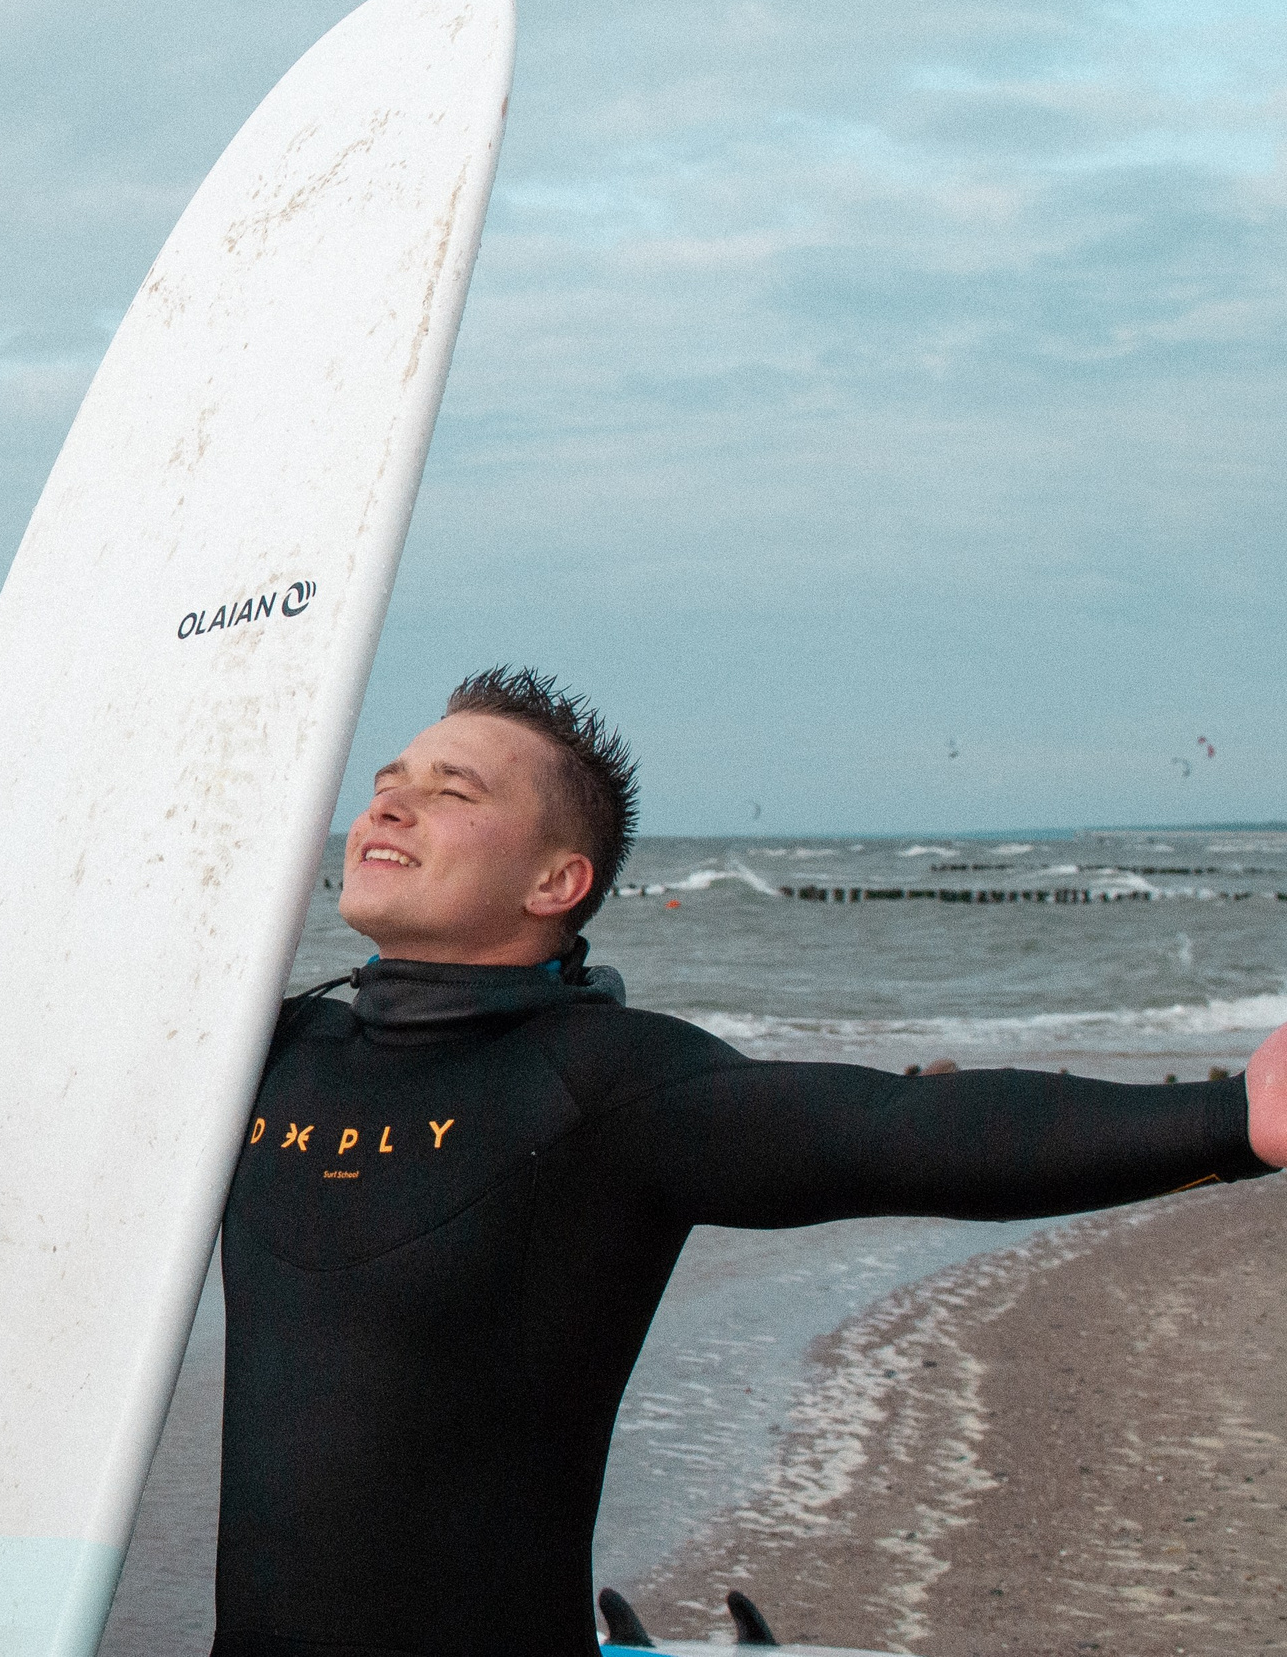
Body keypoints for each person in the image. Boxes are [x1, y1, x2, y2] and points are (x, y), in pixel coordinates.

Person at [214, 665, 1287, 1657]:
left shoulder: (606, 1086)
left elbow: (890, 1131)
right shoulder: (255, 1059)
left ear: (556, 880)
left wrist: (1232, 1121)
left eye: (451, 793)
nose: (386, 807)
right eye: (386, 783)